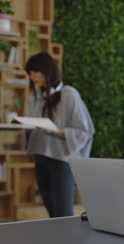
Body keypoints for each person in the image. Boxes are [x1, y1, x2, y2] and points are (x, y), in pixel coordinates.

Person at [25, 52, 95, 218]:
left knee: (63, 213)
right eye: (30, 72)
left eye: (36, 71)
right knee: (52, 212)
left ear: (48, 71)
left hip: (61, 161)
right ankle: (57, 243)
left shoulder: (69, 94)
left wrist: (56, 131)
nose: (32, 76)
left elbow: (84, 130)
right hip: (41, 158)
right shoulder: (35, 95)